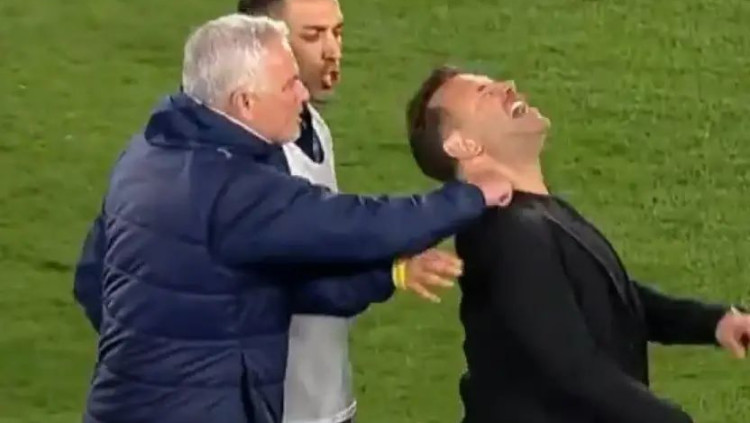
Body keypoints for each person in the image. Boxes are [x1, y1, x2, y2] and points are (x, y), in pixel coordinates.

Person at [72, 16, 513, 423]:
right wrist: (471, 195)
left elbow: (92, 277)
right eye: (288, 86)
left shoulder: (145, 155)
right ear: (245, 102)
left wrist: (390, 273)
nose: (303, 95)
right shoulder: (233, 187)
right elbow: (358, 225)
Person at [404, 65, 750, 423]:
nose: (507, 86)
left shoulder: (531, 215)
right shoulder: (506, 232)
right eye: (484, 95)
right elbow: (572, 370)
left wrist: (713, 323)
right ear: (463, 145)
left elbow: (604, 295)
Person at [235, 1, 464, 422]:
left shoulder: (311, 124)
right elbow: (292, 283)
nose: (332, 50)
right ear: (260, 42)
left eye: (337, 32)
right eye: (312, 35)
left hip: (323, 397)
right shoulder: (249, 158)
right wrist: (391, 272)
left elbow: (322, 248)